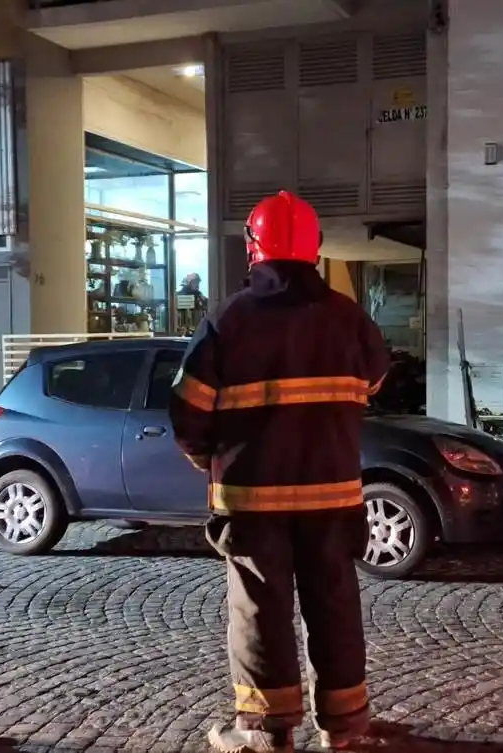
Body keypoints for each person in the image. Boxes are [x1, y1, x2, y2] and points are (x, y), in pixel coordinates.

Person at [169, 190, 391, 753]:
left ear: (254, 247)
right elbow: (374, 381)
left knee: (260, 612)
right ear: (315, 249)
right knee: (335, 606)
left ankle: (265, 731)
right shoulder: (349, 318)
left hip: (252, 502)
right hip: (332, 497)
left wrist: (207, 457)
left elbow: (188, 412)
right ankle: (344, 725)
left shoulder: (227, 320)